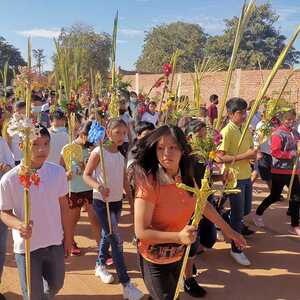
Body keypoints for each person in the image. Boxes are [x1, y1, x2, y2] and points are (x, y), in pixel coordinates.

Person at [134, 125, 246, 299]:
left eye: (172, 147)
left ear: (182, 150)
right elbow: (141, 232)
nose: (166, 154)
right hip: (154, 258)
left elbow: (201, 205)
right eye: (161, 148)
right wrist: (178, 237)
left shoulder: (184, 175)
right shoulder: (149, 182)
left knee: (172, 294)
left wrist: (228, 230)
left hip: (179, 254)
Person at [0, 125, 72, 300]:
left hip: (54, 241)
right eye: (35, 144)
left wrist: (68, 237)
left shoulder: (57, 172)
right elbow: (4, 212)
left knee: (57, 284)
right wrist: (19, 225)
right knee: (32, 295)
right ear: (22, 146)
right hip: (27, 247)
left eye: (46, 143)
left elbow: (64, 207)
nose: (42, 149)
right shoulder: (9, 179)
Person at [83, 118, 143, 300]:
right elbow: (86, 175)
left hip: (117, 202)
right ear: (108, 133)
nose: (122, 136)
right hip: (102, 202)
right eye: (117, 132)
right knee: (115, 239)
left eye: (124, 133)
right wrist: (99, 187)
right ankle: (126, 284)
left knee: (106, 234)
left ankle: (100, 264)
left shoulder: (120, 155)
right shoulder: (97, 152)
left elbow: (125, 180)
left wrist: (131, 202)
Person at [216, 97, 257, 266]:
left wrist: (252, 156)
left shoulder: (245, 129)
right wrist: (245, 156)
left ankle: (222, 221)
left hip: (246, 175)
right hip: (233, 178)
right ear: (231, 114)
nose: (244, 115)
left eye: (245, 112)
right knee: (239, 214)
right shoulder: (226, 131)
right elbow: (219, 158)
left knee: (245, 209)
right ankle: (236, 249)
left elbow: (248, 150)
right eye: (240, 113)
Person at [253, 109, 300, 235]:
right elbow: (275, 152)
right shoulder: (277, 133)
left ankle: (295, 225)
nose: (291, 122)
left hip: (293, 171)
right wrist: (292, 154)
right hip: (280, 170)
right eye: (288, 119)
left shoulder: (295, 132)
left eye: (292, 119)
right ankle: (258, 214)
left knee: (296, 197)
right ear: (283, 120)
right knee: (274, 196)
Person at [60, 121, 100, 255]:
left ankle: (102, 249)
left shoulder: (94, 148)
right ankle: (69, 242)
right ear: (83, 134)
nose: (93, 140)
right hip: (74, 189)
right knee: (73, 219)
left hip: (91, 188)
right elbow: (61, 170)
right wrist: (67, 174)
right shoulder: (67, 148)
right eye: (91, 136)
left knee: (95, 218)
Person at [0, 111, 15, 300]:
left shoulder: (2, 143)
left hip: (0, 204)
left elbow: (12, 168)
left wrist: (6, 169)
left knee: (1, 249)